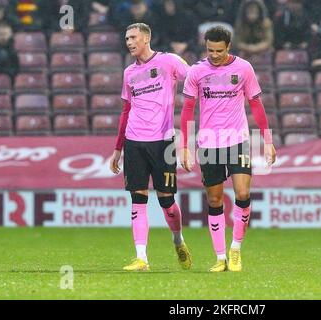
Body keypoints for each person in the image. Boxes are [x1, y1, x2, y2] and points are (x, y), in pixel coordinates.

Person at [180, 26, 276, 272]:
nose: (214, 55)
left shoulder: (243, 68)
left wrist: (268, 140)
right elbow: (188, 109)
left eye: (219, 51)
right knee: (214, 200)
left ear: (228, 47)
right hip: (209, 142)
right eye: (210, 50)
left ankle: (235, 249)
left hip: (237, 140)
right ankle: (220, 257)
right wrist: (184, 145)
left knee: (242, 194)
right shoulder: (196, 71)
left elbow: (255, 103)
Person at [109, 23, 192, 272]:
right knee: (138, 199)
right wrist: (118, 148)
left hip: (162, 141)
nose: (129, 42)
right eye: (126, 38)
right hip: (134, 141)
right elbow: (126, 110)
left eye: (133, 37)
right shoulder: (128, 73)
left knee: (166, 201)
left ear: (146, 38)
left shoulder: (168, 62)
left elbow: (194, 78)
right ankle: (141, 258)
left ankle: (178, 240)